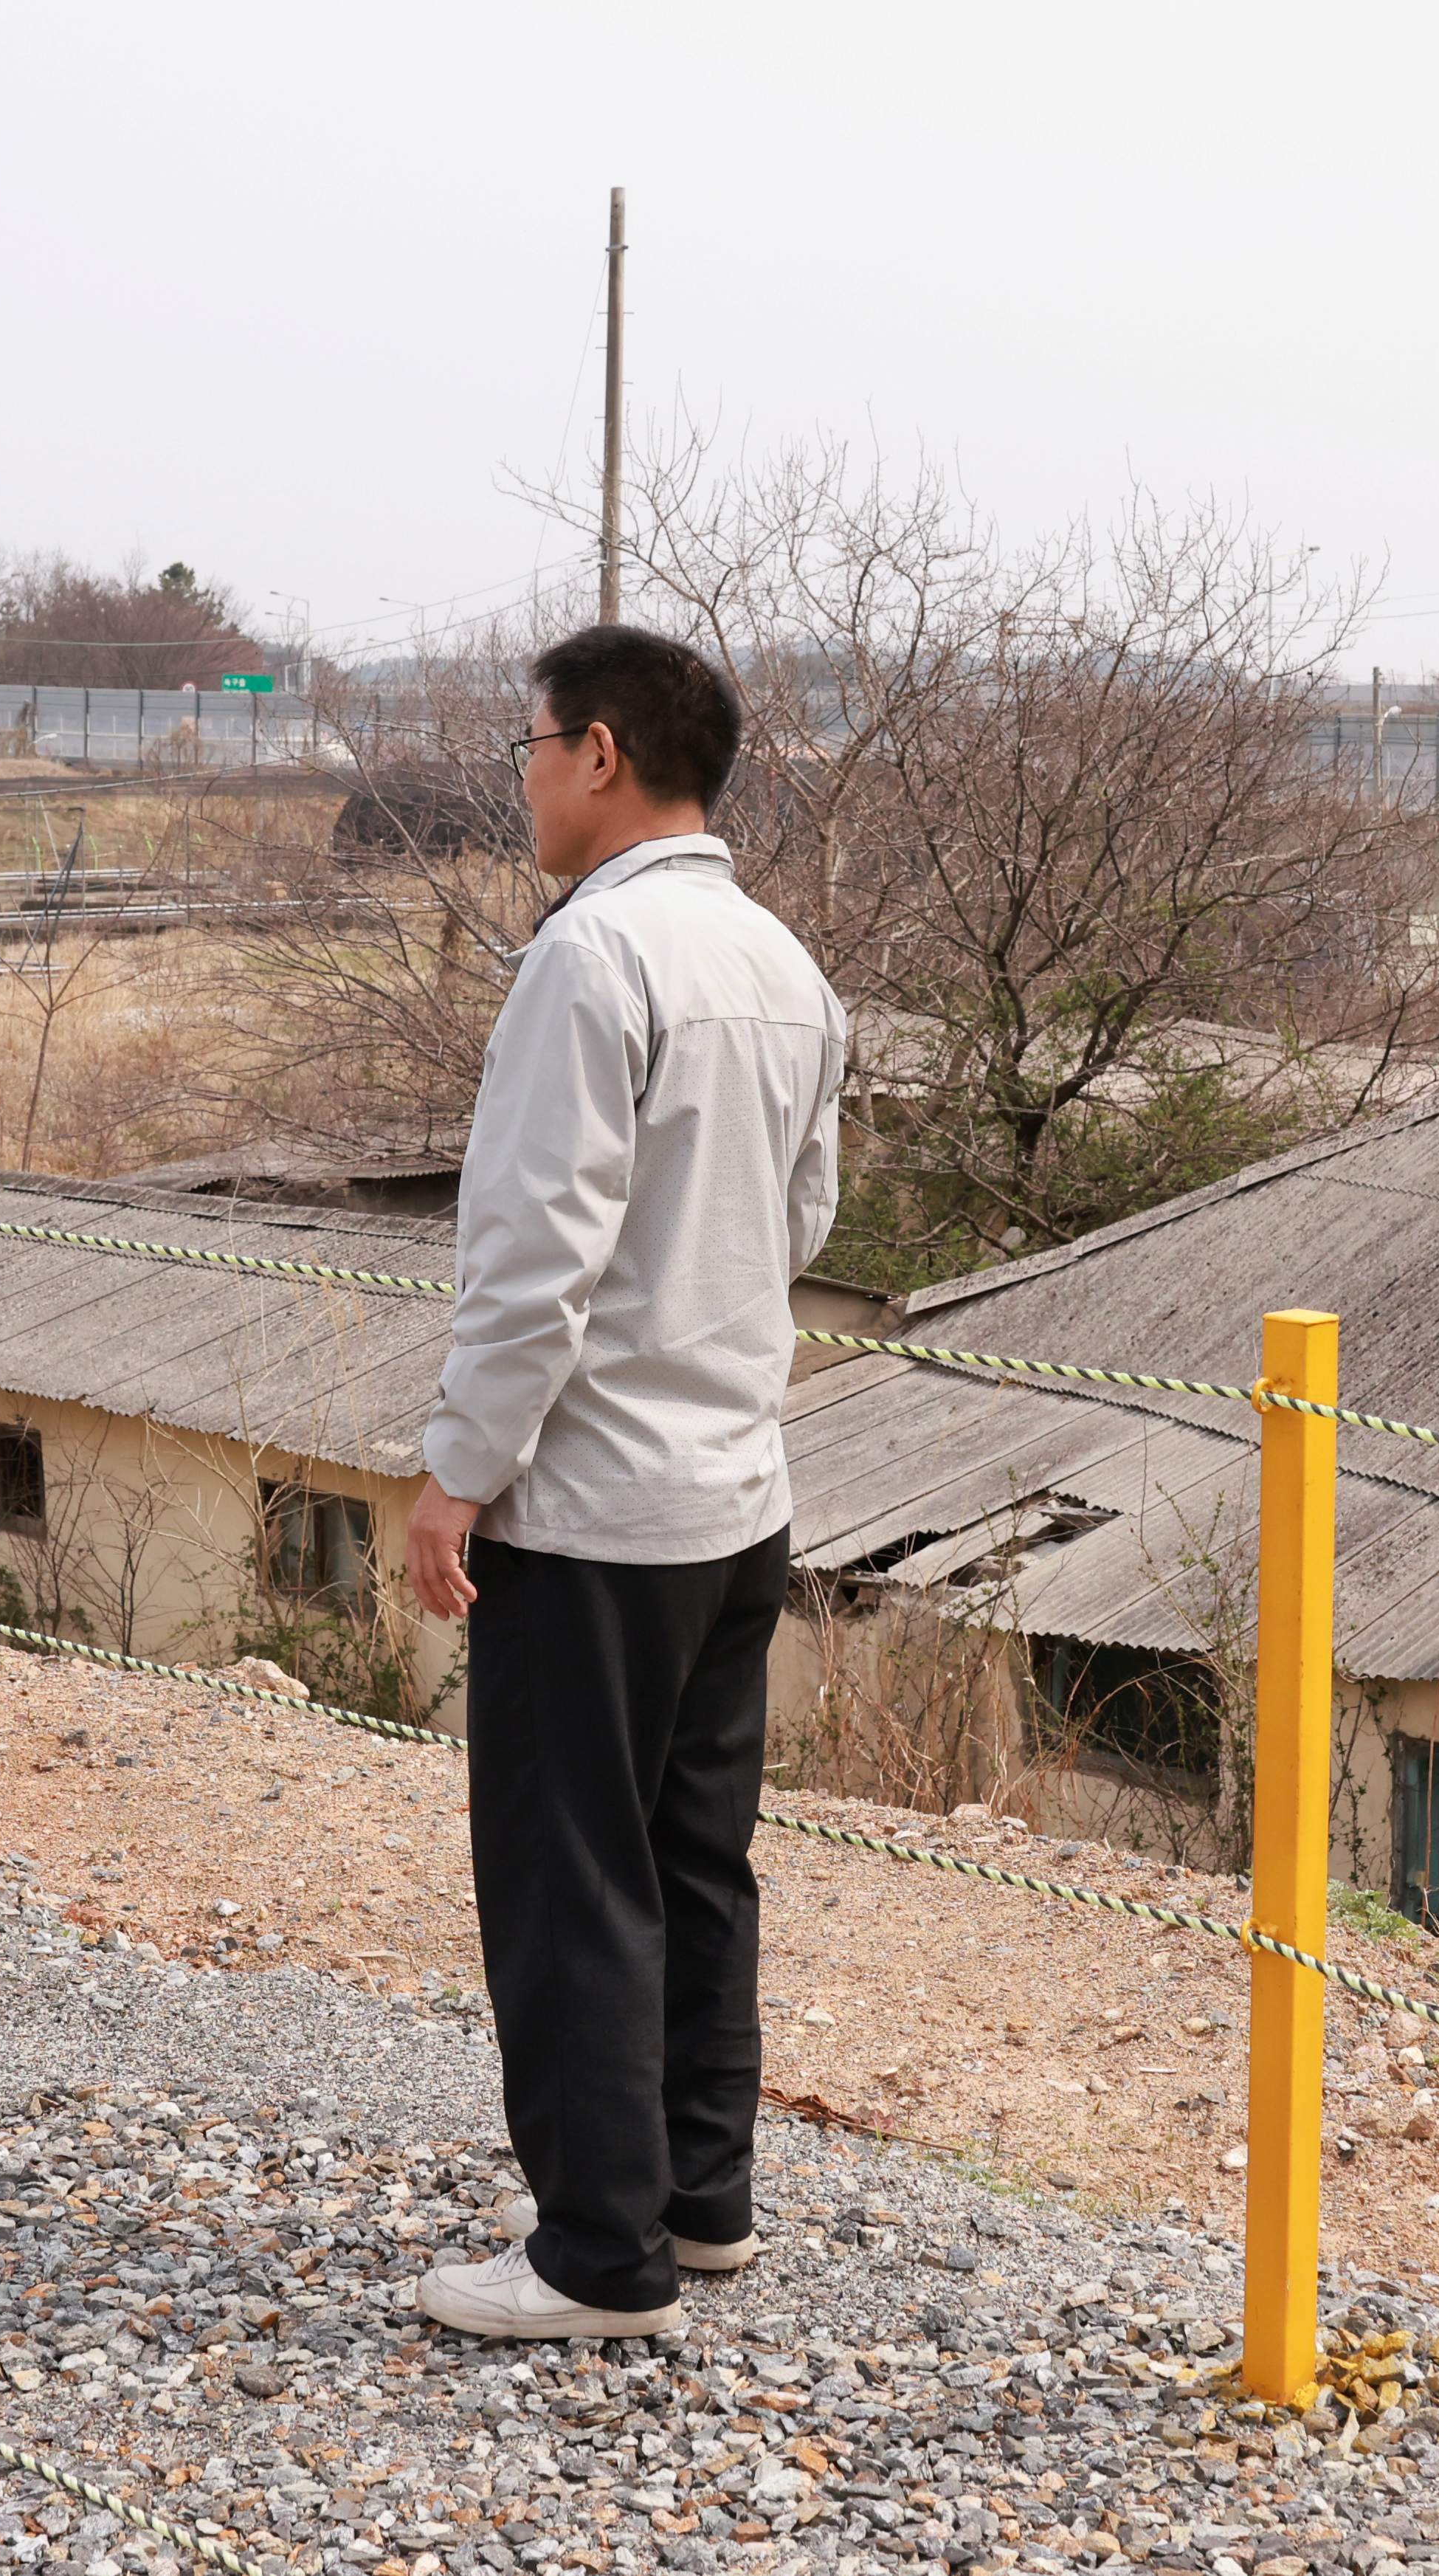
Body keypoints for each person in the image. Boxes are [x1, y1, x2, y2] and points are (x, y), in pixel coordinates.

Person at [404, 624, 848, 2340]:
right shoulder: (779, 961)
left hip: (588, 1505)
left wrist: (460, 1473)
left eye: (528, 743)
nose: (518, 775)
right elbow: (802, 1221)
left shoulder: (590, 962)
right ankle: (698, 2198)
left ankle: (599, 2255)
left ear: (596, 753)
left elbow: (531, 1257)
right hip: (737, 1487)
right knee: (695, 1861)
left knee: (570, 1870)